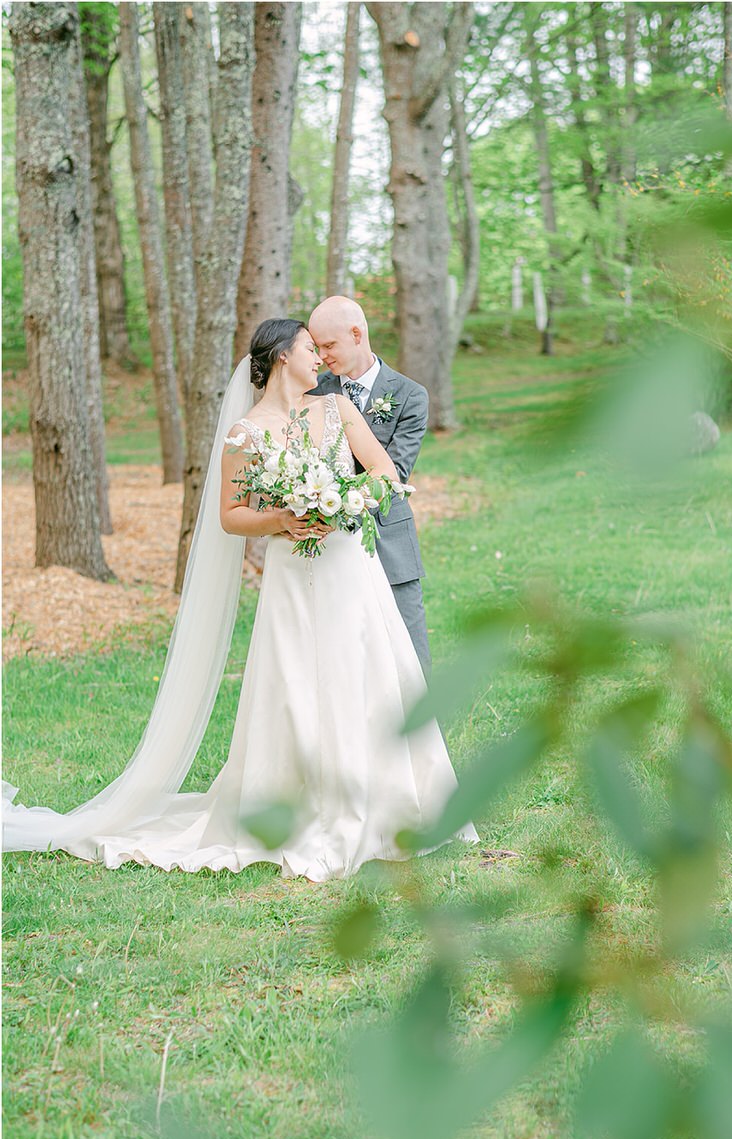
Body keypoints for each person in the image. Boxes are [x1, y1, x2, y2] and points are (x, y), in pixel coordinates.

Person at [2, 319, 478, 881]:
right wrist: (282, 516)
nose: (320, 358)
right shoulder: (246, 433)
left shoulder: (337, 410)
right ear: (281, 358)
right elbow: (231, 516)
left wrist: (345, 501)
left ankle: (397, 803)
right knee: (297, 682)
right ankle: (295, 808)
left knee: (368, 674)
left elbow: (381, 471)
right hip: (291, 574)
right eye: (309, 348)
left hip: (351, 564)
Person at [308, 297, 431, 674]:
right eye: (317, 348)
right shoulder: (313, 391)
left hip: (388, 540)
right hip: (329, 544)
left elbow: (394, 473)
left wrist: (335, 498)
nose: (323, 356)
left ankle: (423, 733)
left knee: (410, 656)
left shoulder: (410, 395)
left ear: (357, 334)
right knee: (343, 658)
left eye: (329, 346)